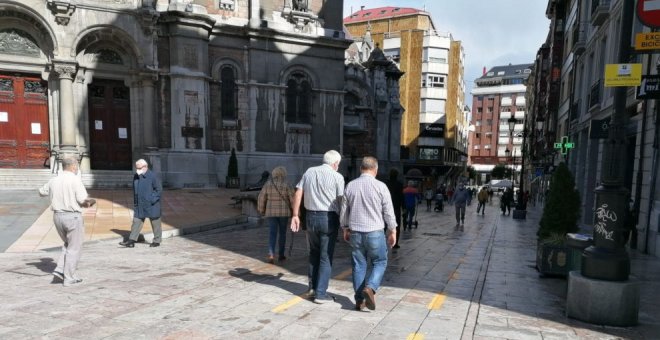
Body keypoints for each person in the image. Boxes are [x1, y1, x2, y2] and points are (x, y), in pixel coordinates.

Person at [340, 156, 397, 311]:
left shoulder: (350, 186)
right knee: (380, 262)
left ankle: (359, 301)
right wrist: (393, 230)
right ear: (376, 170)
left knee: (359, 265)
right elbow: (388, 212)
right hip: (375, 232)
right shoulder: (381, 187)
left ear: (361, 169)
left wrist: (345, 228)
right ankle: (370, 288)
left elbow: (344, 211)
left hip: (356, 232)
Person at [290, 150, 344, 304]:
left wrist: (295, 214)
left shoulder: (309, 171)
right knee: (325, 256)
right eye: (338, 164)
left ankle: (312, 288)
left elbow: (298, 192)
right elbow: (341, 201)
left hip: (310, 216)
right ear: (335, 164)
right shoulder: (337, 176)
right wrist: (344, 221)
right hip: (328, 217)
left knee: (314, 252)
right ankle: (320, 293)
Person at [38, 156, 96, 287]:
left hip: (57, 216)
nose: (77, 168)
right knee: (74, 247)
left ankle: (60, 270)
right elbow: (83, 200)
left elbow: (41, 192)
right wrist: (91, 202)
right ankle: (68, 277)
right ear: (74, 166)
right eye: (77, 166)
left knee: (68, 244)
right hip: (72, 217)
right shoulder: (75, 180)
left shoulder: (54, 180)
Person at [119, 159, 163, 248]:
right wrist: (136, 202)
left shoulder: (153, 176)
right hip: (139, 204)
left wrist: (152, 199)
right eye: (136, 168)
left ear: (145, 167)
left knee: (155, 222)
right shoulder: (136, 176)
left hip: (151, 204)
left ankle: (157, 241)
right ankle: (131, 241)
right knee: (136, 221)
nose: (137, 169)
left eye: (139, 168)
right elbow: (135, 190)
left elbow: (159, 190)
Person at [258, 166, 294, 264]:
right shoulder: (287, 183)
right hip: (284, 213)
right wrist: (295, 213)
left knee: (272, 233)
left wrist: (261, 210)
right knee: (282, 234)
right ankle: (281, 255)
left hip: (271, 212)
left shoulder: (268, 184)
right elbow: (292, 199)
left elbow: (261, 197)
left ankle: (271, 254)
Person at [385, 168, 404, 249]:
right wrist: (404, 207)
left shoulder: (385, 184)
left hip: (385, 207)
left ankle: (381, 241)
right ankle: (395, 243)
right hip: (396, 208)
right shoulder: (399, 184)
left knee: (383, 225)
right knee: (396, 226)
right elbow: (401, 197)